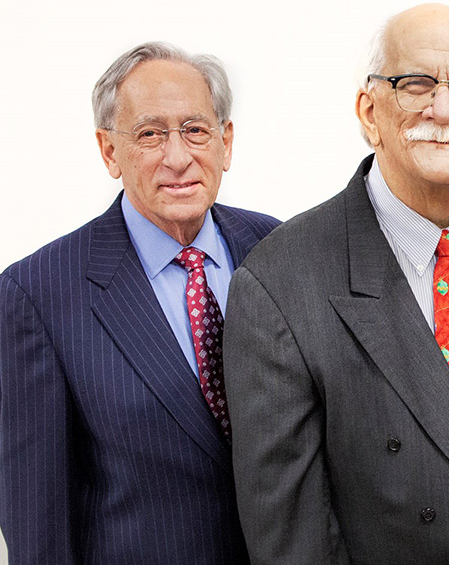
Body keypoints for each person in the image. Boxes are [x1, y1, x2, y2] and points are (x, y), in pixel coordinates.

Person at [223, 4, 449, 565]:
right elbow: (292, 538)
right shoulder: (280, 282)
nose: (443, 109)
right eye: (415, 84)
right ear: (369, 111)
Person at [0, 42, 279, 565]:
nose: (178, 157)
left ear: (226, 141)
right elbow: (38, 524)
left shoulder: (279, 250)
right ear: (109, 151)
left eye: (196, 129)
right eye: (150, 134)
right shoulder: (37, 295)